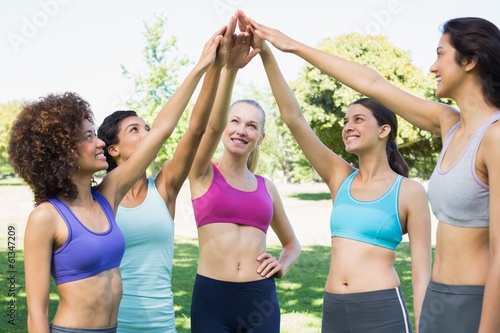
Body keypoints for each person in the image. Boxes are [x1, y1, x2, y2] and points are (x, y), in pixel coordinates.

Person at [246, 14, 500, 333]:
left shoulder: (494, 137)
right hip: (439, 298)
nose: (433, 67)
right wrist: (289, 46)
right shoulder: (449, 124)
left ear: (470, 60)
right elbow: (371, 83)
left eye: (439, 54)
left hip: (474, 300)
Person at [8, 24, 227, 333]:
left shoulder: (107, 196)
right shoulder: (46, 217)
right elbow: (36, 315)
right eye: (88, 137)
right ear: (63, 152)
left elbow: (163, 130)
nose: (98, 143)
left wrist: (203, 65)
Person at [237, 12, 431, 332]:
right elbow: (293, 118)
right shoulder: (340, 177)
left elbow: (422, 273)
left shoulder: (409, 192)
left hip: (381, 310)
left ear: (384, 130)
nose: (347, 126)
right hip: (335, 310)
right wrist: (266, 52)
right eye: (345, 121)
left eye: (358, 119)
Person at [95, 15, 237, 333]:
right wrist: (200, 65)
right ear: (113, 149)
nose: (147, 133)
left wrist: (215, 65)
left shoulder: (164, 188)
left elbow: (197, 128)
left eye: (147, 127)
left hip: (161, 325)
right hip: (111, 326)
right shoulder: (101, 196)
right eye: (135, 129)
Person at [186, 24, 301, 333]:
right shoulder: (201, 172)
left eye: (251, 126)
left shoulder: (267, 188)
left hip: (259, 298)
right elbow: (209, 126)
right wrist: (230, 70)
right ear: (225, 127)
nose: (241, 130)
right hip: (212, 298)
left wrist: (282, 265)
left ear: (260, 137)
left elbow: (292, 244)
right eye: (235, 121)